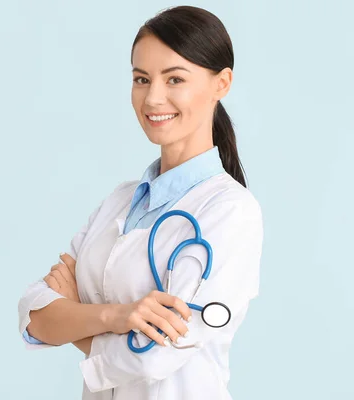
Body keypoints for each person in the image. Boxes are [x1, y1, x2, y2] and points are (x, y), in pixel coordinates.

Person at [17, 5, 263, 400]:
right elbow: (34, 314)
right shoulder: (120, 200)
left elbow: (155, 358)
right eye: (141, 79)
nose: (153, 98)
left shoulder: (230, 212)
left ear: (222, 83)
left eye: (175, 78)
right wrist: (116, 317)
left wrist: (75, 316)